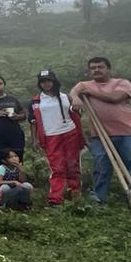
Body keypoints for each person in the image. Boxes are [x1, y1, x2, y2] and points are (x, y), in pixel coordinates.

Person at [70, 56, 131, 204]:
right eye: (93, 68)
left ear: (108, 69)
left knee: (130, 164)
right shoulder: (84, 84)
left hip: (126, 132)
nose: (96, 70)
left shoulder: (122, 83)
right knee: (101, 165)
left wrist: (89, 91)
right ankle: (99, 198)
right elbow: (73, 93)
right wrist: (76, 98)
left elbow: (114, 98)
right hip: (99, 135)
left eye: (100, 67)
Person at [30, 70, 83, 205]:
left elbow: (76, 112)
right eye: (43, 81)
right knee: (57, 167)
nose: (46, 84)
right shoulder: (36, 101)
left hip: (70, 133)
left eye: (48, 80)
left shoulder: (65, 96)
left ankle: (74, 191)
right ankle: (55, 198)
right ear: (39, 84)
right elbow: (33, 121)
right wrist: (34, 139)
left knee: (73, 164)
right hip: (51, 136)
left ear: (54, 81)